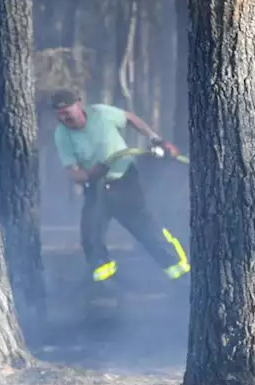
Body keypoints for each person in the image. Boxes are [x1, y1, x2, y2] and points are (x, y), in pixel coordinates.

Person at [51, 89, 190, 284]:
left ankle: (181, 272)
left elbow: (130, 118)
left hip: (125, 182)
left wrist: (155, 139)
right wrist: (89, 175)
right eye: (59, 114)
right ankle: (107, 284)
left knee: (147, 230)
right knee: (91, 235)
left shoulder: (100, 114)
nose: (64, 116)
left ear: (79, 104)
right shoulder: (62, 135)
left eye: (67, 110)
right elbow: (71, 171)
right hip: (97, 187)